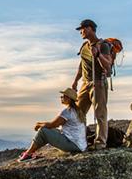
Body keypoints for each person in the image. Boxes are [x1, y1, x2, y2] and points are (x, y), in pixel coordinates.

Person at [71, 18, 111, 150]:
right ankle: (79, 139)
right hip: (85, 83)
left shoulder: (103, 45)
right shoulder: (84, 47)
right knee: (78, 112)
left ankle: (100, 143)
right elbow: (81, 65)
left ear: (90, 29)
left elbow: (108, 67)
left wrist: (98, 55)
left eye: (82, 29)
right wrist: (76, 81)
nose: (81, 32)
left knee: (100, 113)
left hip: (98, 82)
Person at [18, 87, 87, 161]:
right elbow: (54, 126)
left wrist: (38, 125)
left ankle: (28, 154)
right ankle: (31, 152)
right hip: (80, 145)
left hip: (73, 145)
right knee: (48, 131)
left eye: (63, 96)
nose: (61, 97)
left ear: (69, 99)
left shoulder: (67, 112)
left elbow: (52, 124)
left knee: (43, 131)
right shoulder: (77, 111)